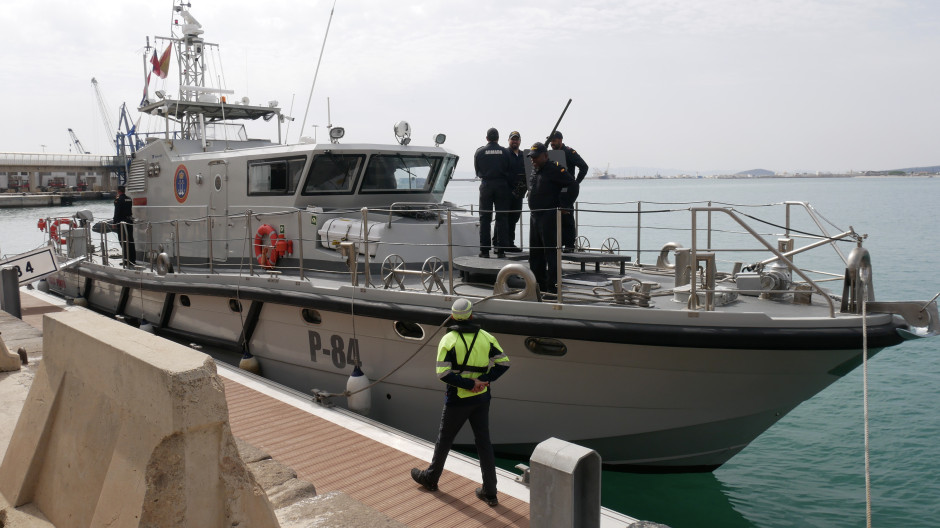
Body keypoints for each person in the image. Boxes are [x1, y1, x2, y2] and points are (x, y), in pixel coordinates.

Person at [411, 298, 511, 507]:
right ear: (472, 315)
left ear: (454, 316)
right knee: (484, 443)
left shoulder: (448, 340)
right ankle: (490, 492)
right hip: (482, 398)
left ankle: (430, 479)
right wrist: (483, 381)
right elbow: (504, 363)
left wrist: (467, 384)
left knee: (445, 439)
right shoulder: (487, 337)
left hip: (457, 399)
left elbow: (443, 373)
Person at [527, 142, 574, 294]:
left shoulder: (554, 169)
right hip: (535, 217)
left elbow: (572, 184)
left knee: (551, 255)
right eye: (531, 157)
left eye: (536, 157)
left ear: (545, 156)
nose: (533, 160)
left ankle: (553, 289)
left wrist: (564, 205)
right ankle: (537, 286)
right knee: (535, 255)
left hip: (548, 216)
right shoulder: (535, 170)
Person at [473, 128, 512, 258]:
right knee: (502, 218)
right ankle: (500, 249)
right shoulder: (506, 152)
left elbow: (477, 170)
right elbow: (510, 169)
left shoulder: (479, 152)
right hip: (502, 186)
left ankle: (484, 251)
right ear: (498, 138)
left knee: (485, 218)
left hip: (486, 185)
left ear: (487, 138)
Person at [548, 131, 588, 251]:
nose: (552, 143)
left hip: (567, 190)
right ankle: (558, 244)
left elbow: (584, 167)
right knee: (555, 218)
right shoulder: (550, 154)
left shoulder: (569, 152)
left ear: (560, 140)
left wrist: (576, 182)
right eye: (550, 141)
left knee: (567, 217)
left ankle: (570, 245)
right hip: (555, 191)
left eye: (554, 141)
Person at [495, 131, 526, 252]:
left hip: (519, 192)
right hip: (506, 191)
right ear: (508, 140)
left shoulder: (524, 155)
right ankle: (498, 242)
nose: (515, 141)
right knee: (503, 217)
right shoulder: (504, 153)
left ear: (520, 141)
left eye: (517, 139)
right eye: (513, 139)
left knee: (514, 218)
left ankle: (510, 242)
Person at [113, 185, 136, 267]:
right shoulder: (129, 199)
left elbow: (117, 212)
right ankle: (133, 259)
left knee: (123, 241)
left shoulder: (118, 200)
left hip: (122, 223)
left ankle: (126, 260)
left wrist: (114, 222)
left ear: (119, 191)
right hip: (129, 221)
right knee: (130, 241)